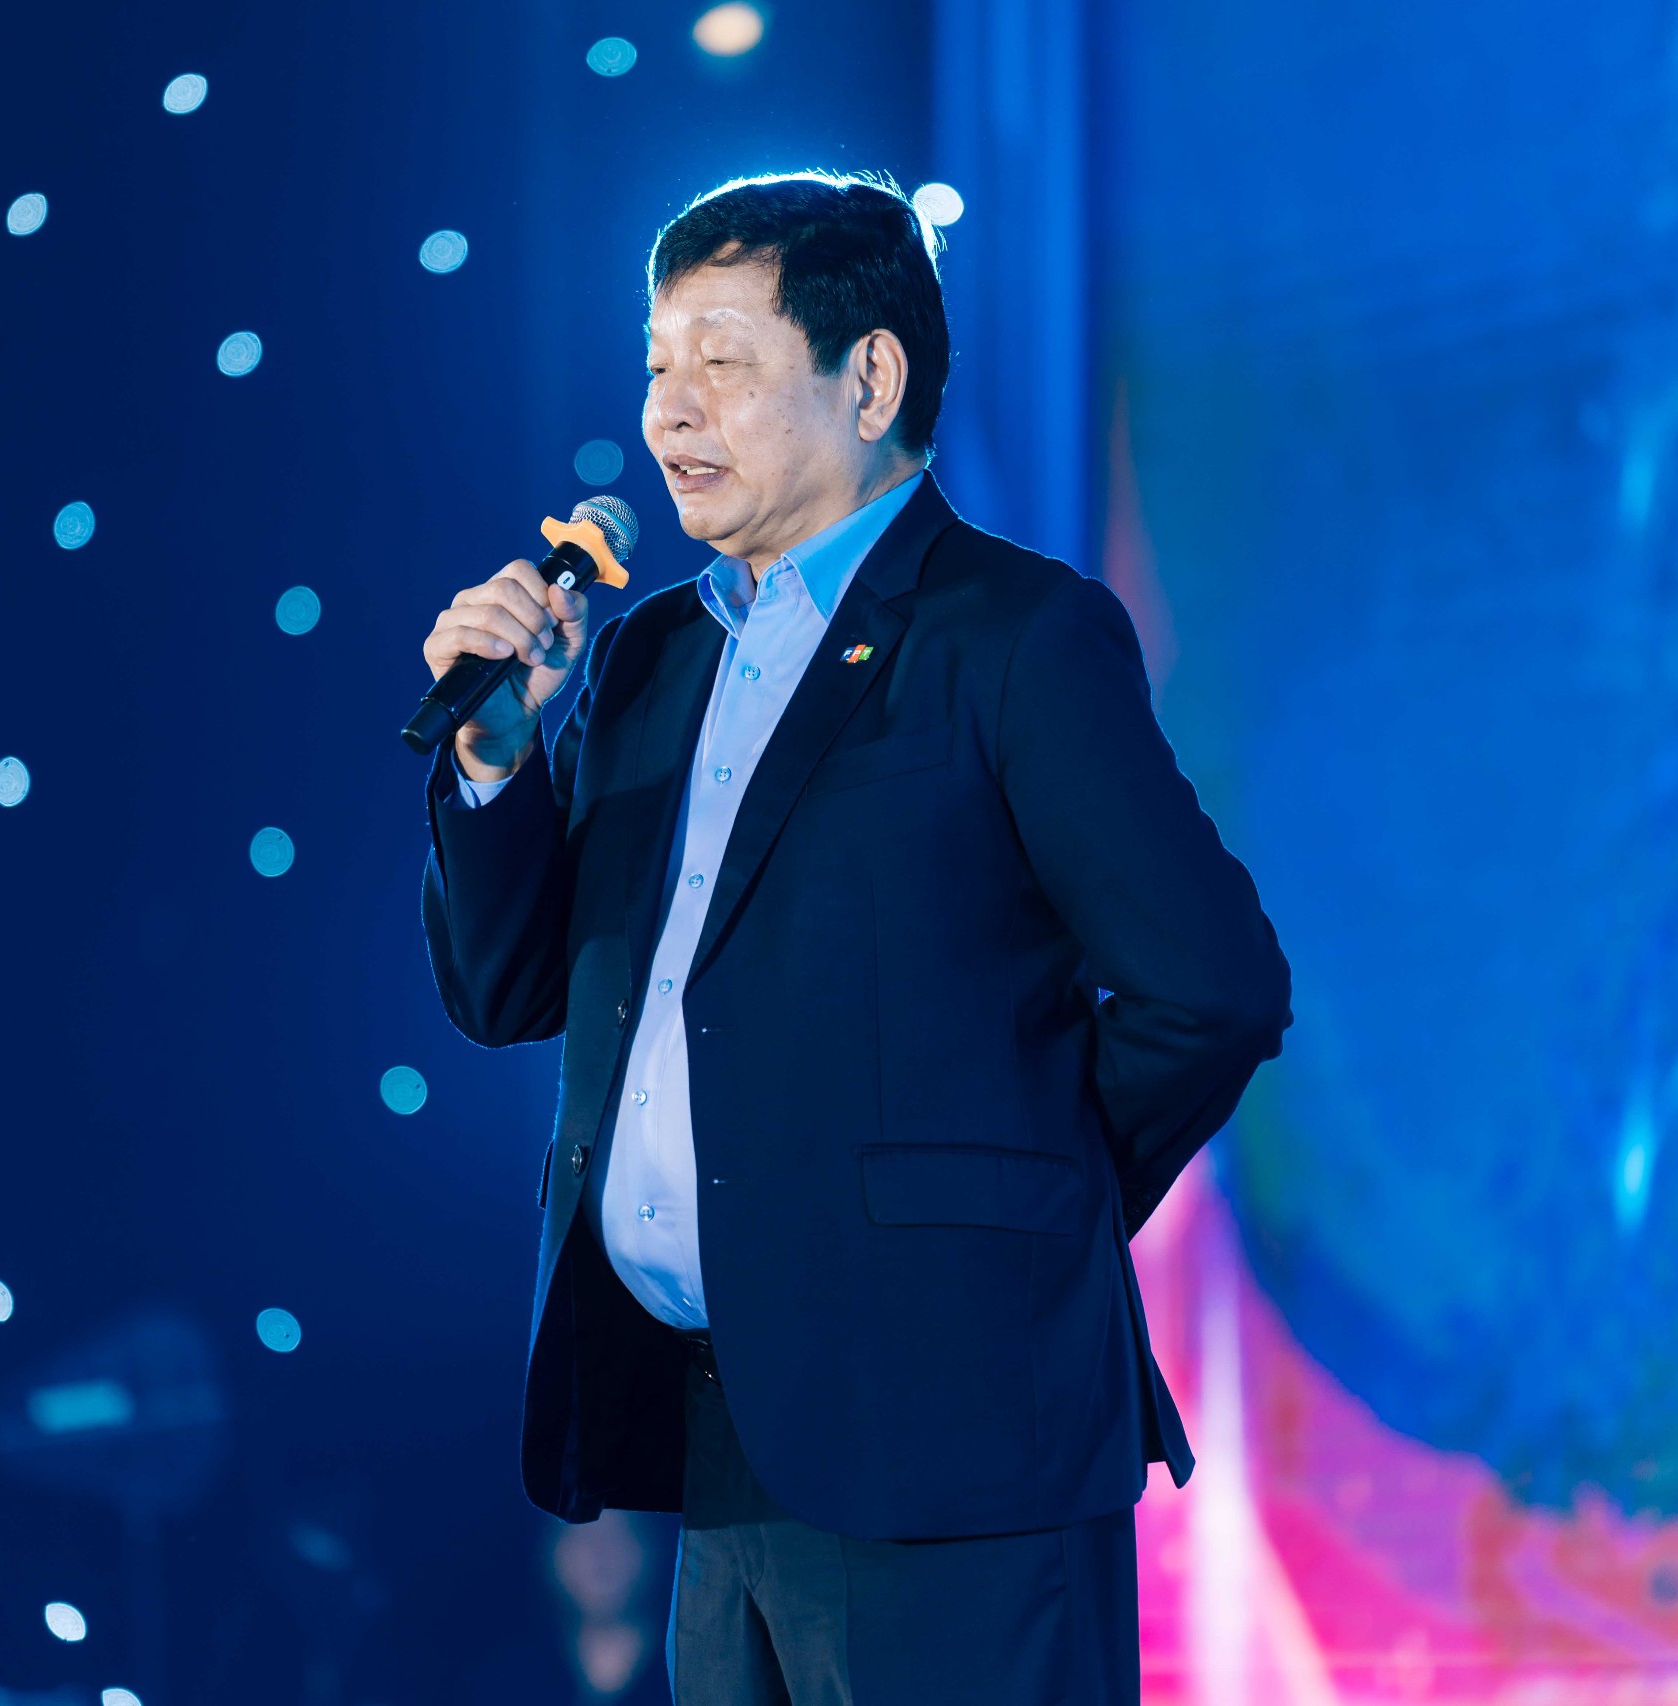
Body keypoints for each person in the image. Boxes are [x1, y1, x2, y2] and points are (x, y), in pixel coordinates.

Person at [417, 171, 1290, 1704]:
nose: (669, 409)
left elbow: (1209, 985)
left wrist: (1000, 1218)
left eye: (722, 361)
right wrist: (495, 758)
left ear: (869, 377)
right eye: (657, 363)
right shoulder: (647, 659)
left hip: (955, 1436)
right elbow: (513, 989)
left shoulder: (1009, 634)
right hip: (720, 1427)